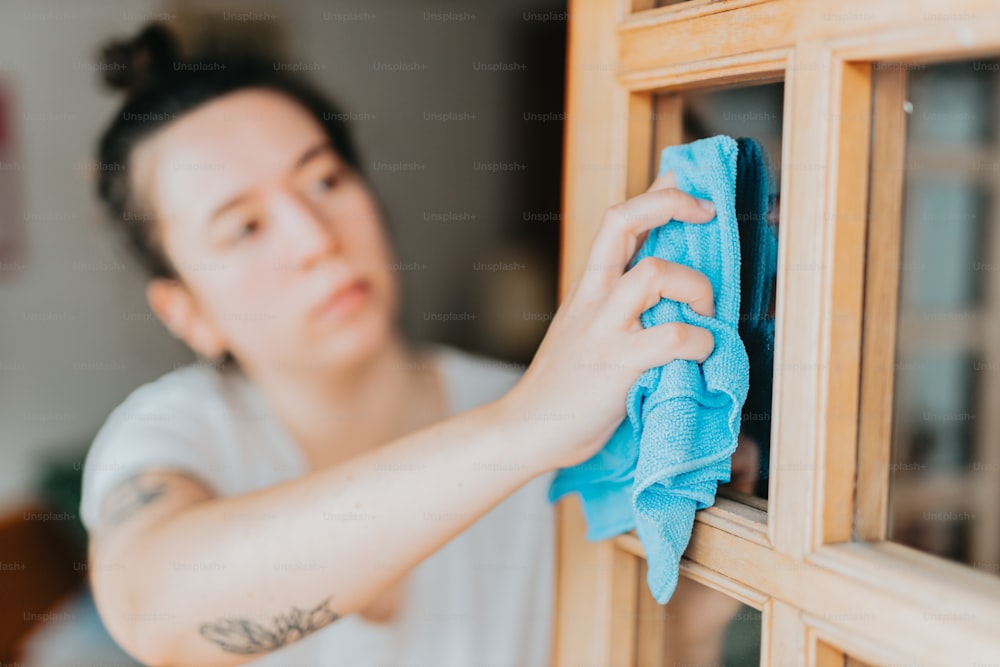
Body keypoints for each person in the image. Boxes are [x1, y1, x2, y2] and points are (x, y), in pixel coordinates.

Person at [79, 22, 722, 667]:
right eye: (245, 227)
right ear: (186, 311)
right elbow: (159, 612)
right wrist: (527, 426)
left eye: (325, 181)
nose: (314, 239)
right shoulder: (171, 432)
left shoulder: (561, 424)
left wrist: (691, 627)